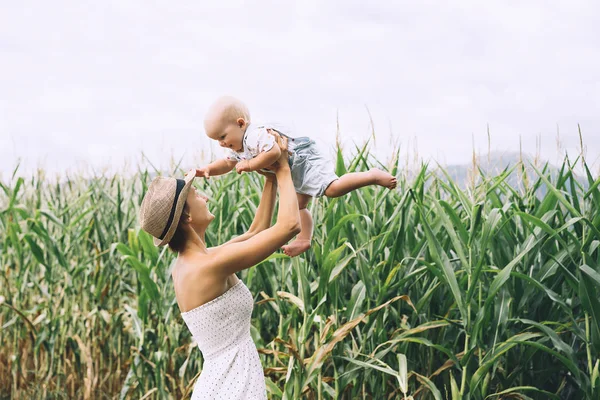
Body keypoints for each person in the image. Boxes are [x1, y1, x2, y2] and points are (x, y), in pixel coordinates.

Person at [139, 135, 300, 400]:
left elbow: (257, 230)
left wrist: (270, 176)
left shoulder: (202, 260)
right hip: (231, 387)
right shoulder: (208, 266)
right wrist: (282, 166)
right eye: (195, 194)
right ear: (187, 216)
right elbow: (290, 225)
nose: (204, 196)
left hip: (229, 382)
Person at [194, 95, 398, 257]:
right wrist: (209, 170)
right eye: (217, 140)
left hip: (304, 160)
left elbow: (274, 153)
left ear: (240, 123)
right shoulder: (237, 147)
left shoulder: (255, 135)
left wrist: (250, 164)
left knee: (333, 189)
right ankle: (304, 239)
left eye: (222, 137)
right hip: (293, 170)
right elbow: (227, 163)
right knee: (299, 206)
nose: (221, 144)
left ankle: (371, 175)